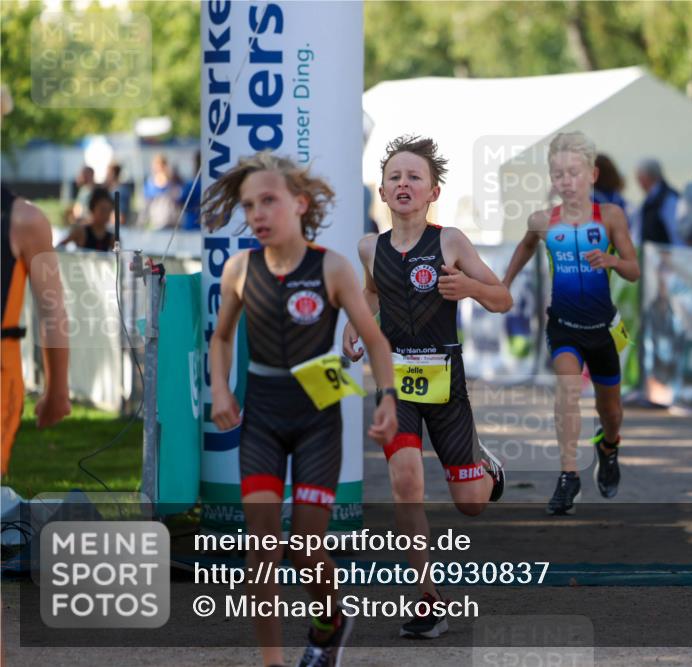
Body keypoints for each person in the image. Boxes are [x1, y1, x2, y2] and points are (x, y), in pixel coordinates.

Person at [203, 152, 399, 667]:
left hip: (318, 419)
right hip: (262, 418)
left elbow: (376, 342)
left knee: (306, 549)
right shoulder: (239, 269)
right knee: (261, 553)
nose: (258, 214)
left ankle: (331, 619)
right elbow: (221, 339)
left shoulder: (331, 267)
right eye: (249, 205)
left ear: (300, 204)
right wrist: (220, 390)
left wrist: (387, 400)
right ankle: (272, 662)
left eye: (269, 201)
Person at [342, 135, 510, 639]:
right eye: (394, 176)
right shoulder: (368, 247)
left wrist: (471, 289)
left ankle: (487, 468)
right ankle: (428, 598)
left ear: (433, 191)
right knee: (406, 481)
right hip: (395, 383)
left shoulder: (451, 242)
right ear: (383, 191)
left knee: (471, 502)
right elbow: (373, 294)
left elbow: (501, 298)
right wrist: (358, 323)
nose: (403, 184)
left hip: (447, 384)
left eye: (414, 177)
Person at [502, 131, 640, 515]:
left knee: (610, 411)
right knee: (567, 393)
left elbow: (634, 270)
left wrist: (612, 261)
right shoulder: (543, 220)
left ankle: (608, 447)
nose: (566, 180)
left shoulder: (610, 218)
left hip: (603, 331)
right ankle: (568, 476)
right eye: (558, 173)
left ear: (592, 175)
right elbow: (526, 245)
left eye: (574, 172)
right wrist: (504, 284)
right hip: (562, 326)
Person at [2, 183, 71, 476]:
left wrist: (57, 390)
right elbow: (52, 312)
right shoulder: (24, 220)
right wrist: (57, 392)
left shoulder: (23, 221)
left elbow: (51, 311)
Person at [634, 159, 680, 246]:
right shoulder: (651, 200)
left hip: (667, 257)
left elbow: (676, 234)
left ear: (645, 177)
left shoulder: (668, 199)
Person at [57, 187, 114, 251]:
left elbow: (120, 257)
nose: (105, 215)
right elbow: (60, 247)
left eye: (108, 211)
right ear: (92, 209)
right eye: (102, 210)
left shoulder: (112, 238)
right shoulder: (81, 232)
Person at [142, 153, 182, 229]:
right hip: (156, 222)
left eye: (161, 165)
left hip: (172, 222)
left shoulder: (174, 182)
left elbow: (179, 196)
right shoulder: (150, 183)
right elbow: (146, 203)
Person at [179, 151, 202, 231]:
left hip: (191, 224)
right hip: (198, 224)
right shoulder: (191, 184)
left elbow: (181, 202)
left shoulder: (191, 185)